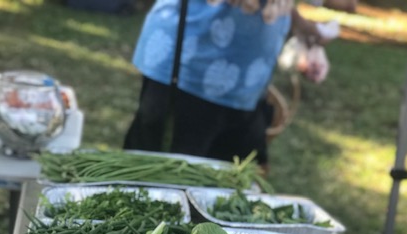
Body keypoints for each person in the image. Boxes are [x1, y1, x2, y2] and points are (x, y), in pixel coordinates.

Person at [124, 0, 356, 167]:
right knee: (160, 184)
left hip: (244, 83)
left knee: (225, 193)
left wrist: (301, 27)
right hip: (189, 69)